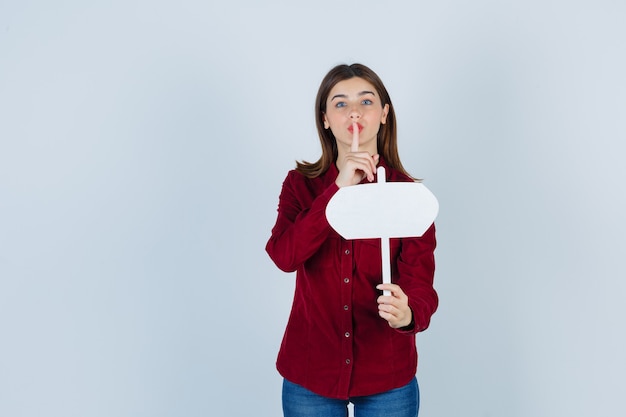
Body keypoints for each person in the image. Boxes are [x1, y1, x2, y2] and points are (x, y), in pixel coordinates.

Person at [265, 63, 438, 417]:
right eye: (340, 103)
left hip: (387, 377)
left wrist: (407, 313)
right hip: (310, 372)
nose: (354, 111)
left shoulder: (410, 197)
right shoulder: (300, 185)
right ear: (325, 118)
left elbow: (421, 286)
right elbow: (285, 255)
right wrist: (338, 188)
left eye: (366, 101)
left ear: (384, 114)